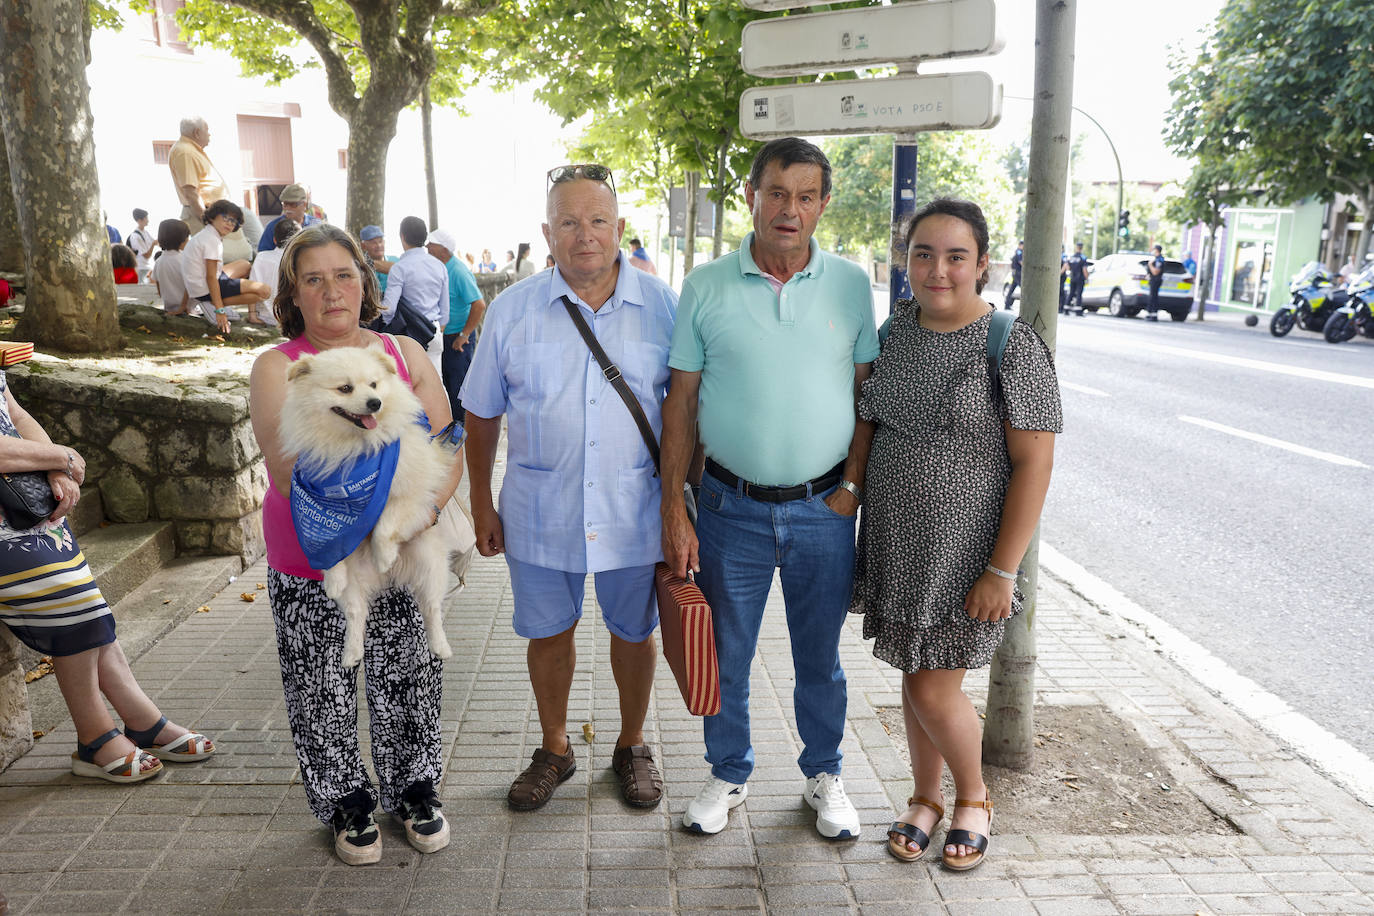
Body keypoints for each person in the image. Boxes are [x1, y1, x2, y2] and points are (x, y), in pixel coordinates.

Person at [660, 137, 877, 840]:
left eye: (806, 196)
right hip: (729, 508)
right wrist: (675, 508)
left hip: (824, 510)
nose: (790, 210)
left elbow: (865, 393)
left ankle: (824, 773)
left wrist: (851, 488)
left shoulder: (850, 284)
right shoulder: (706, 285)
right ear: (753, 195)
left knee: (821, 658)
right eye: (777, 193)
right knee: (727, 654)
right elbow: (681, 403)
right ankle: (729, 773)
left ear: (822, 204)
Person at [850, 198, 1060, 872]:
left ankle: (973, 798)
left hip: (964, 556)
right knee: (917, 678)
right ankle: (924, 797)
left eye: (955, 256)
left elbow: (1035, 463)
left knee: (934, 689)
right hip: (896, 543)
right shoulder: (895, 331)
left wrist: (1002, 571)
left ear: (982, 264)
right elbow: (870, 424)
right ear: (905, 262)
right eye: (923, 254)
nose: (937, 269)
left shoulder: (1010, 343)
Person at [461, 163, 677, 814]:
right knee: (548, 632)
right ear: (547, 232)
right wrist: (480, 502)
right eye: (570, 222)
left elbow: (687, 410)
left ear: (619, 228)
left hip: (633, 509)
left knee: (634, 632)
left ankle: (632, 744)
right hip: (538, 509)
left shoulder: (662, 305)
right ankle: (555, 747)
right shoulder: (512, 309)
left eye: (599, 221)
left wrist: (679, 510)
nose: (586, 235)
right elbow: (482, 412)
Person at [248, 223, 462, 865]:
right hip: (315, 557)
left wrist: (423, 513)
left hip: (404, 544)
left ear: (365, 282)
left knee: (409, 675)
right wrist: (379, 515)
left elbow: (446, 439)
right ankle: (345, 803)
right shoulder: (279, 368)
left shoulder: (401, 353)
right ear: (294, 293)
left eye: (342, 274)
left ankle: (416, 791)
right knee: (321, 686)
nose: (331, 290)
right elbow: (288, 472)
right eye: (312, 279)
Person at [0, 372, 214, 783]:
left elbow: (14, 413)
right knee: (75, 606)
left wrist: (54, 473)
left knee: (88, 610)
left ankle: (140, 721)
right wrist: (58, 458)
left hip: (22, 504)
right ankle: (95, 737)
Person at [167, 116, 255, 262]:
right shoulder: (185, 151)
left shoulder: (191, 150)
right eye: (207, 130)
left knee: (239, 255)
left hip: (219, 213)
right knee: (227, 258)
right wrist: (208, 220)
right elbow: (191, 192)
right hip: (209, 213)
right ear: (197, 132)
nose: (209, 134)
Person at [424, 229, 487, 423]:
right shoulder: (436, 266)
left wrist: (464, 334)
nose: (427, 247)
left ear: (443, 250)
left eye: (431, 245)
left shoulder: (458, 271)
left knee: (458, 387)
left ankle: (462, 429)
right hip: (443, 335)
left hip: (457, 338)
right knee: (445, 384)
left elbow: (479, 304)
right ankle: (449, 426)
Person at [182, 199, 269, 333]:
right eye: (225, 218)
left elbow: (192, 271)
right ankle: (212, 304)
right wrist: (220, 310)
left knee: (245, 265)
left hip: (199, 285)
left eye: (233, 221)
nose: (229, 223)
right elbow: (211, 278)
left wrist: (184, 306)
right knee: (264, 292)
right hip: (206, 288)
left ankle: (213, 301)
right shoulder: (212, 241)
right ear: (212, 217)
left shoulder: (206, 234)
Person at [379, 216, 449, 378]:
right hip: (434, 331)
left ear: (402, 236)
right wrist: (439, 328)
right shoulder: (439, 265)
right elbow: (445, 310)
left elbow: (389, 310)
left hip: (409, 334)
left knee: (411, 385)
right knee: (436, 383)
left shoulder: (399, 268)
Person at [248, 217, 301, 322]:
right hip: (293, 317)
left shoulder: (261, 257)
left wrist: (252, 315)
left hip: (265, 316)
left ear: (274, 240)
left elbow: (251, 287)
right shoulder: (300, 260)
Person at [258, 184, 319, 253]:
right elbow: (263, 253)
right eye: (285, 204)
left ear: (304, 204)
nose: (288, 208)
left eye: (293, 204)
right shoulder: (273, 227)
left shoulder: (316, 226)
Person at [152, 218, 191, 315]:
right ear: (182, 239)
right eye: (187, 237)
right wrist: (183, 306)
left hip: (169, 308)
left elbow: (159, 288)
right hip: (188, 309)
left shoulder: (158, 261)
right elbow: (192, 286)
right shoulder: (186, 259)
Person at [359, 225, 396, 292]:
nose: (379, 245)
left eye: (380, 241)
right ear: (363, 246)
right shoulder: (359, 265)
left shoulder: (395, 260)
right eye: (373, 243)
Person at [127, 208, 156, 282]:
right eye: (146, 218)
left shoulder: (145, 233)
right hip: (140, 268)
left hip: (147, 267)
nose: (148, 220)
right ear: (139, 221)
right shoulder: (135, 236)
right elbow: (146, 255)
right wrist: (153, 245)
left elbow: (157, 242)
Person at [1066, 242, 1091, 316]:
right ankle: (1078, 311)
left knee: (1071, 293)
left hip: (1072, 278)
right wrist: (1087, 278)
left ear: (1076, 247)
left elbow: (1068, 267)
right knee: (1079, 294)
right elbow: (1084, 269)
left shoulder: (1072, 257)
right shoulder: (1083, 257)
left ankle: (1066, 309)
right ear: (1082, 248)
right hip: (1080, 279)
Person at [1145, 244, 1166, 321]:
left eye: (1154, 249)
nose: (1152, 251)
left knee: (1153, 297)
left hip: (1156, 280)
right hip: (1153, 280)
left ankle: (1153, 315)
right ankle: (1150, 314)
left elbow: (1155, 272)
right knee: (1152, 297)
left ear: (1157, 250)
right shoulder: (1156, 259)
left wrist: (1150, 265)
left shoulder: (1159, 260)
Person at [1003, 240, 1023, 310]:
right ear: (1020, 245)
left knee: (1012, 289)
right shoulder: (1019, 252)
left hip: (1015, 273)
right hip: (1018, 273)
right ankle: (1025, 305)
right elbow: (1021, 262)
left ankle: (1007, 305)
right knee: (1024, 289)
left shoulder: (1017, 251)